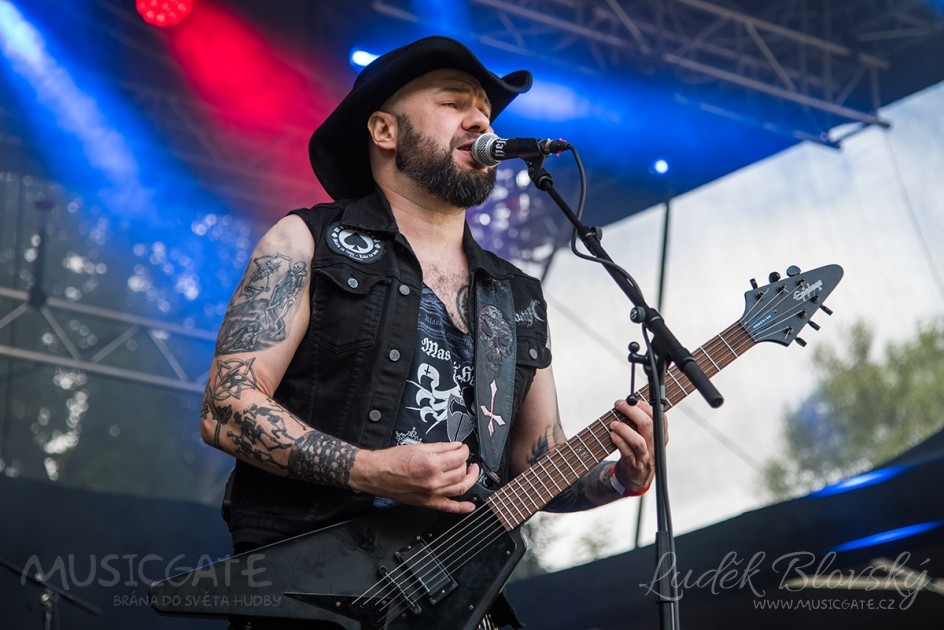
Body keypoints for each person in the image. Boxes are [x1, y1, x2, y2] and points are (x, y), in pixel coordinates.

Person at [200, 35, 659, 630]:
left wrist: (618, 478)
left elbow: (534, 469)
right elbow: (226, 407)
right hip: (316, 598)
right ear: (384, 131)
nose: (480, 121)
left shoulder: (516, 296)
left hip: (454, 602)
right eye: (453, 102)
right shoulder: (307, 242)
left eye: (486, 112)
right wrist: (371, 470)